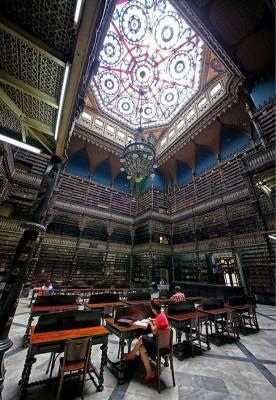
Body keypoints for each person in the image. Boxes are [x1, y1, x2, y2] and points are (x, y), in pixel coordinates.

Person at [122, 300, 170, 383]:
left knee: (142, 338)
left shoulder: (159, 317)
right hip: (164, 344)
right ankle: (149, 373)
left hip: (158, 346)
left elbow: (154, 331)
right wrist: (153, 320)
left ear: (153, 309)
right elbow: (159, 323)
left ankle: (131, 355)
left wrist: (151, 323)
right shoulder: (162, 315)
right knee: (141, 348)